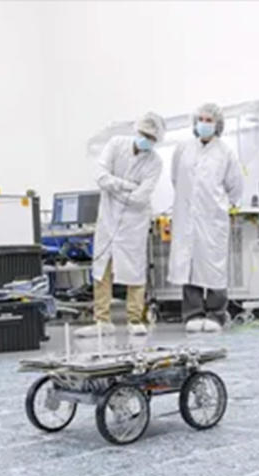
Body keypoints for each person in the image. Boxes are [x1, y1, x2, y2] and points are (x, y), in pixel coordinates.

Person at [78, 112, 164, 338]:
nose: (146, 139)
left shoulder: (155, 162)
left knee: (134, 270)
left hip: (133, 224)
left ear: (157, 140)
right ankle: (102, 320)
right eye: (144, 134)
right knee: (101, 268)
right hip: (108, 220)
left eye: (151, 137)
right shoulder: (116, 145)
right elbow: (100, 176)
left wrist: (115, 187)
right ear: (137, 130)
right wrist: (128, 185)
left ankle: (135, 319)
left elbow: (141, 197)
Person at [169, 102, 243, 333]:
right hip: (186, 216)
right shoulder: (183, 148)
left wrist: (220, 206)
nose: (204, 124)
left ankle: (215, 314)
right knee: (188, 264)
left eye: (209, 120)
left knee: (213, 266)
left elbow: (236, 186)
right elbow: (175, 179)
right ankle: (192, 313)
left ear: (218, 124)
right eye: (200, 119)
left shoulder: (225, 152)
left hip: (213, 219)